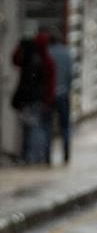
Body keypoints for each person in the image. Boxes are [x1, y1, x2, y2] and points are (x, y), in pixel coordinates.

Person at [10, 24, 55, 165]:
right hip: (36, 98)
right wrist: (47, 99)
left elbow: (16, 60)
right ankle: (34, 156)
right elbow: (50, 81)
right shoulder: (45, 59)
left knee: (29, 128)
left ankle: (30, 156)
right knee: (35, 128)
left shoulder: (30, 54)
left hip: (29, 98)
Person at [46, 28, 73, 164]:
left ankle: (47, 156)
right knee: (65, 126)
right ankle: (66, 154)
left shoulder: (48, 53)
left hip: (50, 95)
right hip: (63, 94)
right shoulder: (66, 53)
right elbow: (70, 75)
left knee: (48, 126)